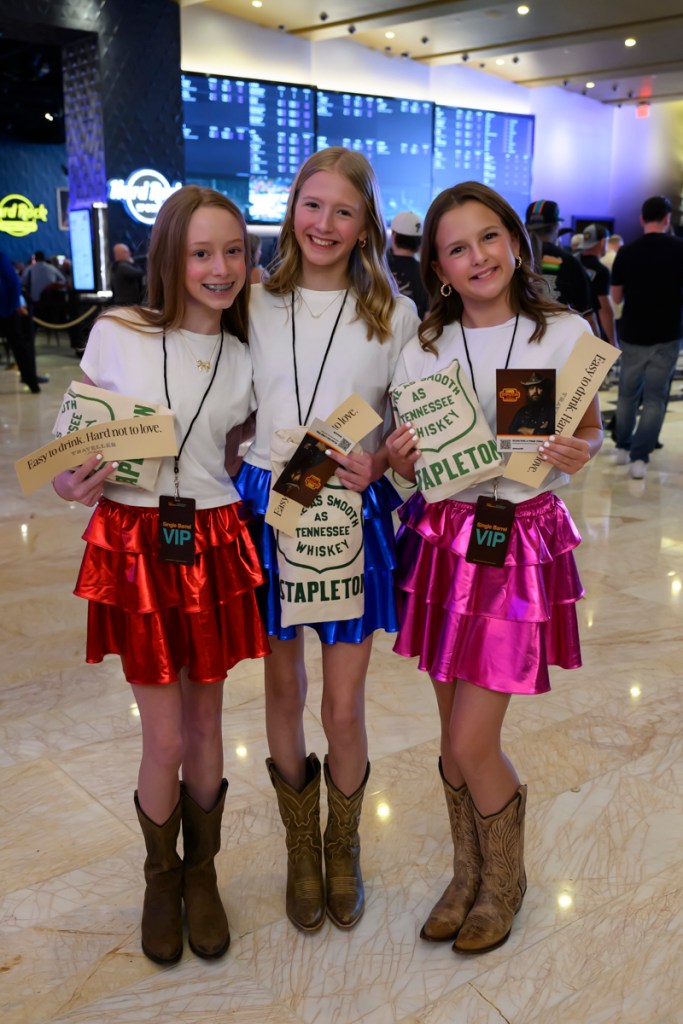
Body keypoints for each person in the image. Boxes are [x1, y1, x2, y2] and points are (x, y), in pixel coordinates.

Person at [51, 186, 270, 965]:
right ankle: (160, 877)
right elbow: (70, 445)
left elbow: (242, 452)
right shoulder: (118, 332)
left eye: (232, 252)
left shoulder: (247, 355)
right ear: (169, 259)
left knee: (208, 723)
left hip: (209, 535)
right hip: (134, 537)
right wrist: (70, 480)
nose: (219, 269)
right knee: (165, 733)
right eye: (200, 253)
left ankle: (202, 875)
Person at [386, 182, 603, 956]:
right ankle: (466, 871)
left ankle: (503, 880)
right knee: (449, 733)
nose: (476, 256)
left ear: (513, 241)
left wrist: (581, 451)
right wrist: (397, 457)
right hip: (445, 535)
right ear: (438, 268)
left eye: (487, 237)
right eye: (455, 247)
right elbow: (404, 453)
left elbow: (585, 432)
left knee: (474, 739)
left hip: (516, 536)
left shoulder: (561, 330)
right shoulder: (425, 343)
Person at [235, 147, 419, 933]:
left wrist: (383, 458)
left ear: (365, 223)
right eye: (313, 206)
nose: (324, 223)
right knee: (282, 690)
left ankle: (342, 849)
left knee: (343, 705)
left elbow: (411, 426)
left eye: (343, 210)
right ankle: (298, 850)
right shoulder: (251, 301)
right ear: (292, 211)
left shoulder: (395, 314)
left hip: (349, 507)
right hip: (269, 499)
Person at [611, 194, 683, 479]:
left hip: (633, 332)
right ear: (667, 219)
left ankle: (622, 447)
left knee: (627, 394)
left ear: (642, 219)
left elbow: (616, 296)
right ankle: (640, 458)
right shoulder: (680, 249)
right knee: (655, 397)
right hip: (667, 333)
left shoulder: (626, 253)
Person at [524, 200, 599, 335]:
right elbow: (589, 318)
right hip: (564, 344)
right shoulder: (571, 263)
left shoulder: (515, 261)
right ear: (556, 227)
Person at [0, 250, 42, 393]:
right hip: (8, 309)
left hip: (7, 310)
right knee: (20, 347)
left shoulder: (1, 256)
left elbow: (13, 282)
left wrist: (13, 306)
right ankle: (31, 382)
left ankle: (31, 381)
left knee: (19, 347)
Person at [576, 224, 617, 346]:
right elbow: (604, 308)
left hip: (571, 328)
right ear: (603, 242)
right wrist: (612, 339)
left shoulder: (572, 262)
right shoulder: (601, 271)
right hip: (594, 331)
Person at [387, 210, 429, 317]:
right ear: (420, 241)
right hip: (413, 331)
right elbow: (428, 314)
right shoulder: (426, 272)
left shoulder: (377, 266)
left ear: (393, 235)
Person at [508, 371, 555, 435]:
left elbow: (548, 434)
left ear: (543, 390)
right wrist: (537, 430)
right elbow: (511, 432)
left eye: (539, 388)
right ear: (528, 392)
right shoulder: (522, 412)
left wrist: (524, 430)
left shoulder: (551, 410)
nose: (535, 392)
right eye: (532, 388)